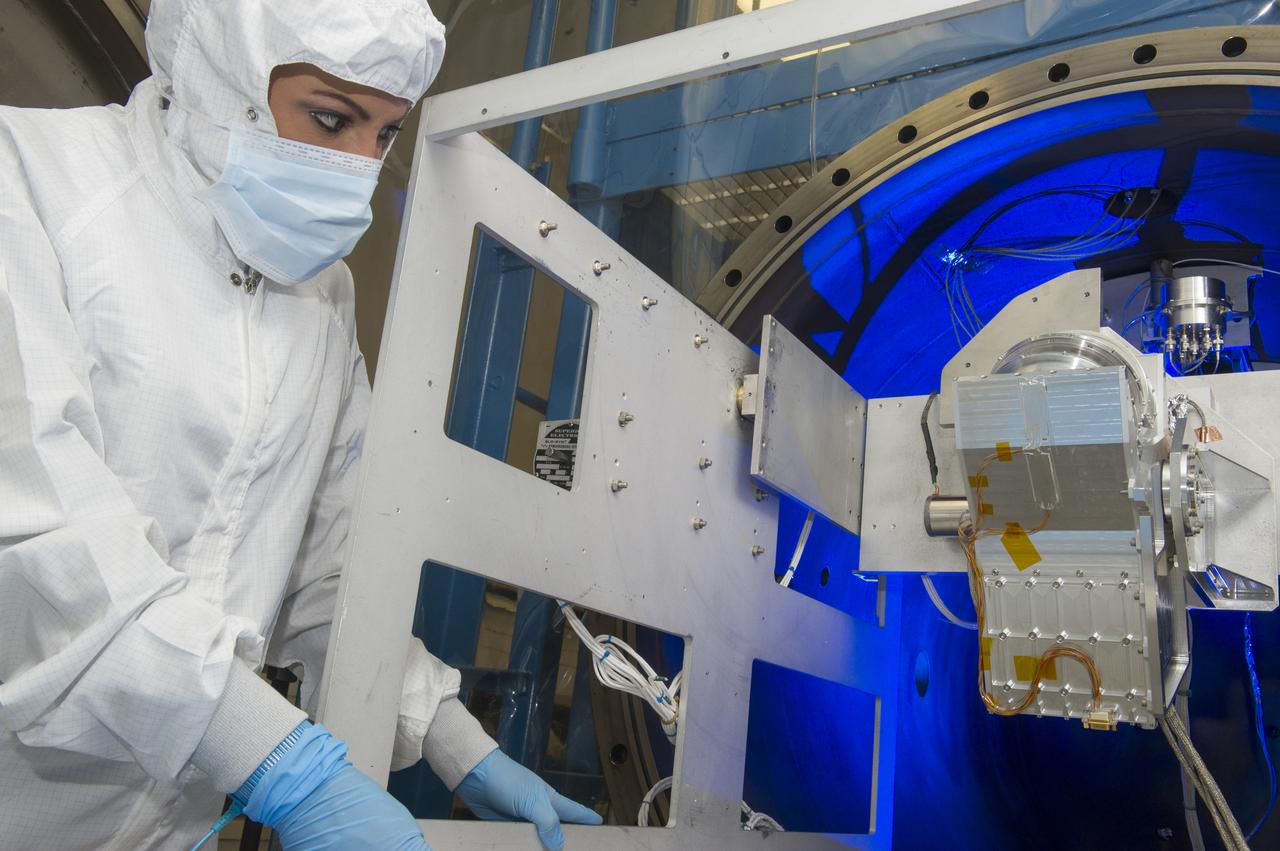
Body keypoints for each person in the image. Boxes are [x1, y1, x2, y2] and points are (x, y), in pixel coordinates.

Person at [0, 1, 601, 849]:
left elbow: (324, 572)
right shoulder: (28, 179)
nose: (360, 170)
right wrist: (284, 764)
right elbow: (37, 546)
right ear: (225, 78)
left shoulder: (321, 297)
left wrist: (453, 739)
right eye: (330, 117)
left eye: (385, 134)